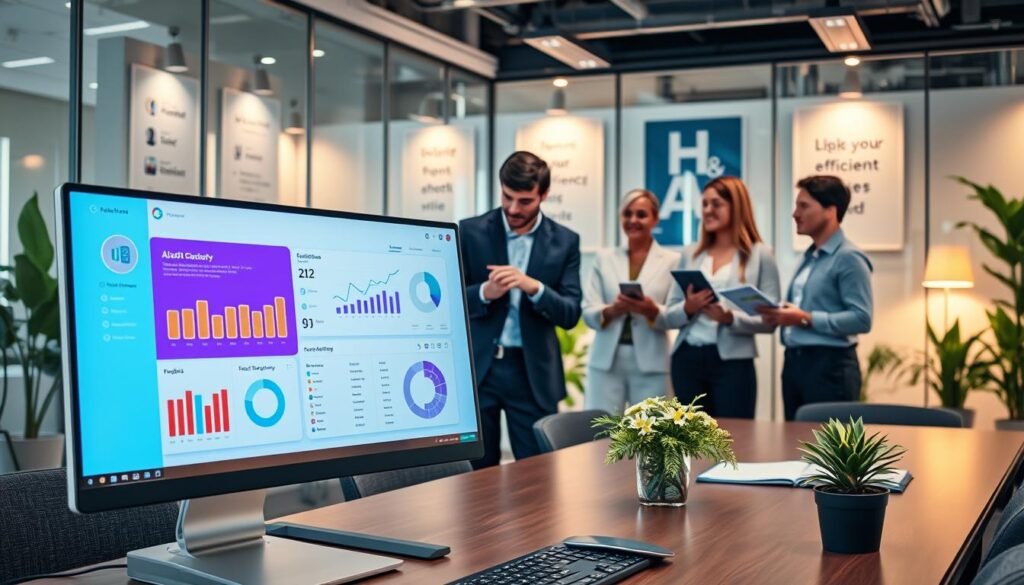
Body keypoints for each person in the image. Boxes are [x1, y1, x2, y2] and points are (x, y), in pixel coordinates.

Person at [460, 151, 582, 469]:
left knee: (537, 473)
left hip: (531, 374)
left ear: (543, 195)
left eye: (525, 201)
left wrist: (534, 287)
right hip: (478, 370)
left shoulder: (565, 242)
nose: (513, 209)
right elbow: (449, 302)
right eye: (507, 197)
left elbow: (570, 313)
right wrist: (486, 292)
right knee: (472, 475)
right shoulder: (470, 232)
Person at [656, 176, 779, 418]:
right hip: (687, 359)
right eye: (704, 204)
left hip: (733, 364)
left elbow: (771, 320)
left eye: (716, 204)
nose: (708, 210)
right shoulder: (691, 253)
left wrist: (729, 318)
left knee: (735, 440)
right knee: (691, 442)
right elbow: (669, 316)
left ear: (737, 206)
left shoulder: (760, 255)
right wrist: (689, 308)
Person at [759, 175, 873, 420]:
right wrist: (782, 315)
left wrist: (804, 318)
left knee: (830, 452)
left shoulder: (849, 257)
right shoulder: (811, 256)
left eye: (804, 206)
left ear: (830, 211)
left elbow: (862, 318)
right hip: (796, 363)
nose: (795, 214)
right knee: (795, 445)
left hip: (830, 367)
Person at [581, 189, 680, 414]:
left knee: (653, 436)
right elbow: (588, 311)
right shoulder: (604, 258)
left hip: (652, 361)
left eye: (641, 214)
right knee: (601, 435)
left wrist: (652, 310)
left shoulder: (672, 261)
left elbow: (677, 314)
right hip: (606, 361)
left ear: (655, 219)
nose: (633, 220)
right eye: (627, 214)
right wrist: (612, 310)